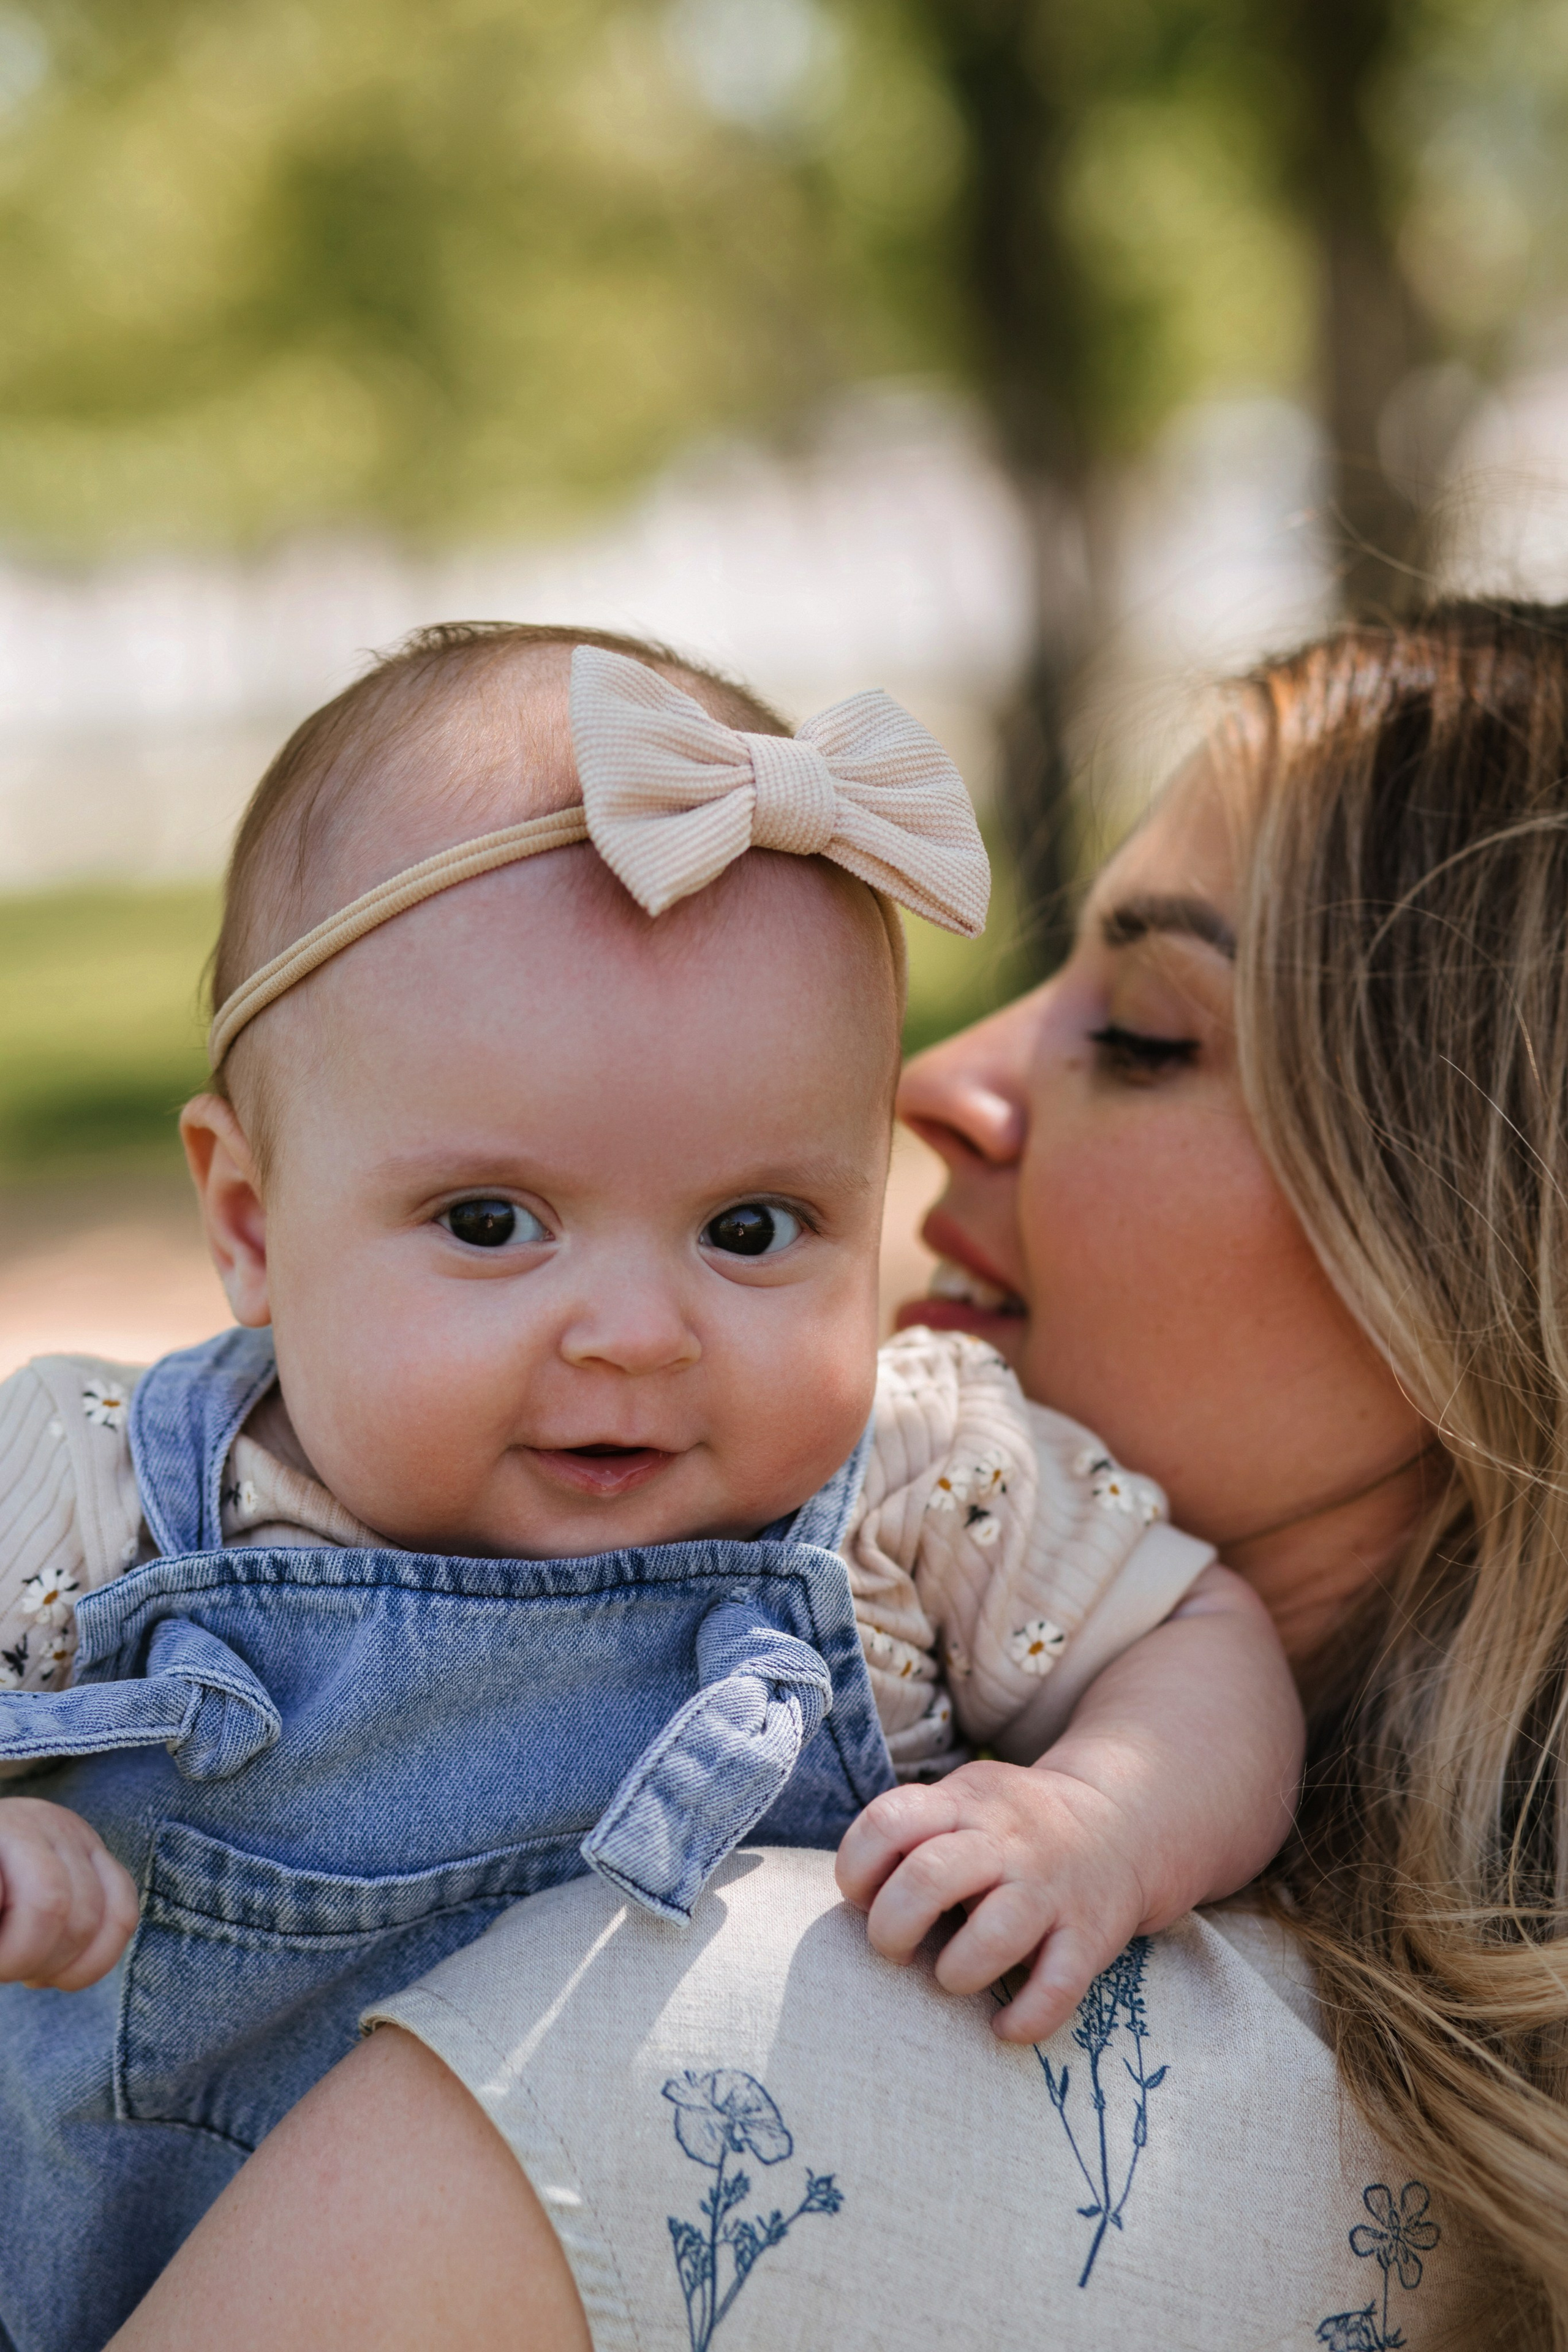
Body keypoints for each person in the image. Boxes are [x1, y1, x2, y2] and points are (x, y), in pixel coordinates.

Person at [107, 600, 1568, 2352]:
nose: (939, 1084)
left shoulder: (678, 2044)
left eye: (1150, 1035)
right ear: (247, 1219)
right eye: (492, 1222)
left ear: (1502, 1243)